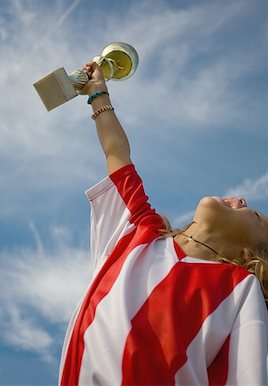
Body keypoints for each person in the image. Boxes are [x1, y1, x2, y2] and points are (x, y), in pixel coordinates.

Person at [59, 62, 268, 386]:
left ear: (247, 255)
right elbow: (117, 154)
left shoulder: (239, 287)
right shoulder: (138, 231)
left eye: (254, 214)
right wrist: (98, 93)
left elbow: (245, 377)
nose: (240, 199)